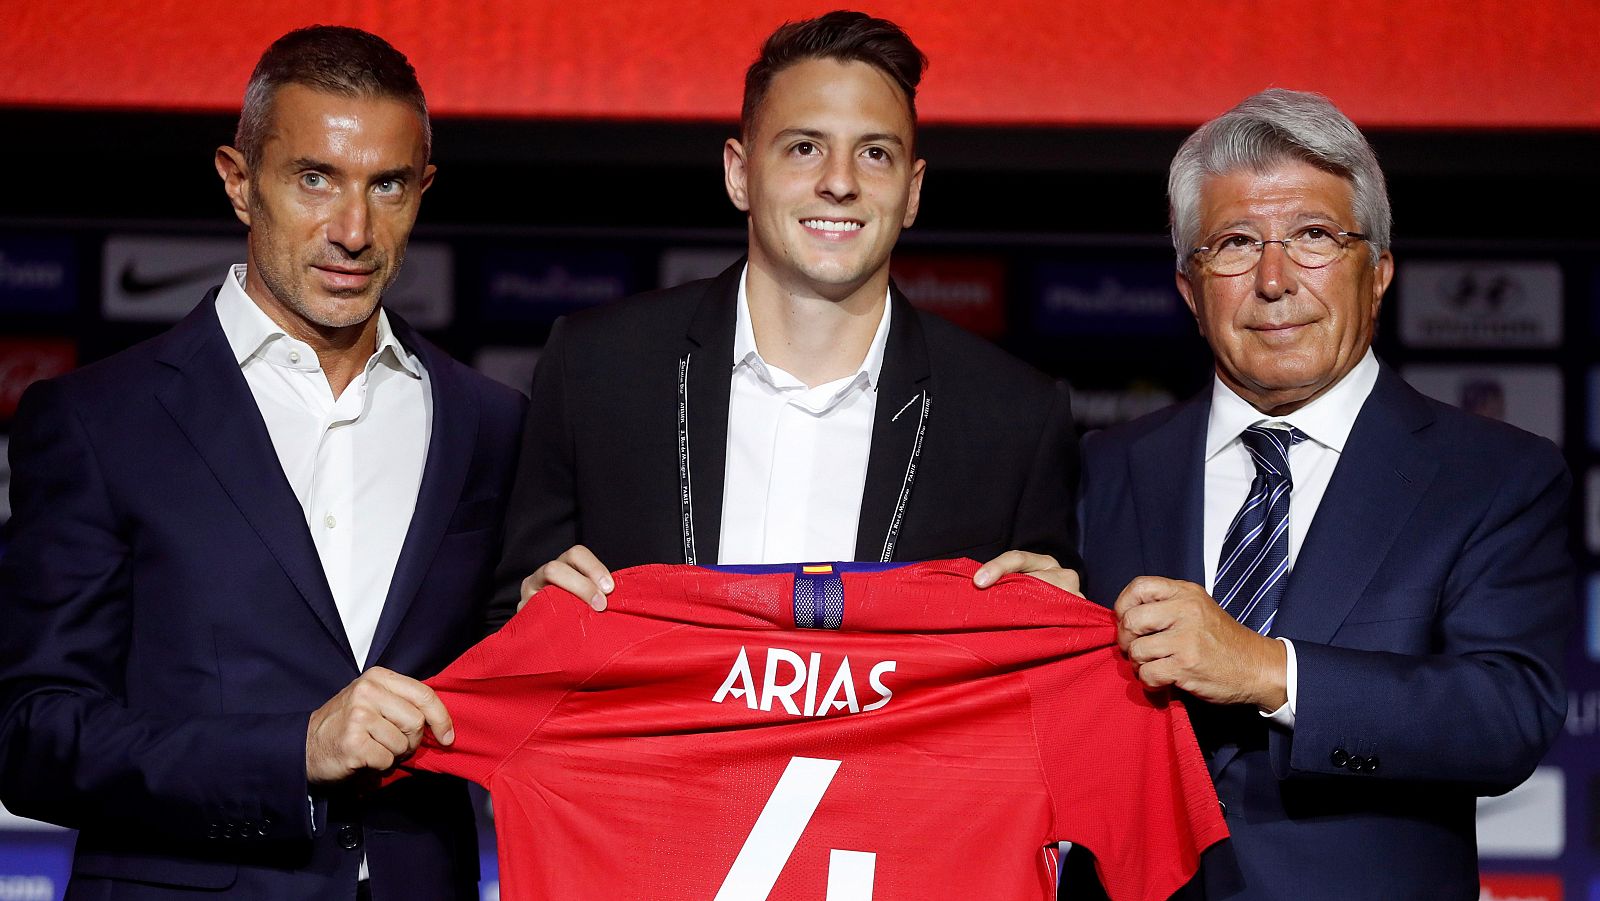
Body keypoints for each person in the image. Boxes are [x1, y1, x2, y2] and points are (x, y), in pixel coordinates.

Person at [0, 26, 526, 900]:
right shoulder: (102, 420)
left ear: (422, 191)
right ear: (239, 183)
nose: (353, 229)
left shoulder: (491, 423)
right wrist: (295, 751)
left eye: (386, 184)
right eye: (314, 178)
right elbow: (32, 734)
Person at [1004, 89, 1571, 900]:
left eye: (1312, 237)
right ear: (1190, 289)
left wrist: (1271, 670)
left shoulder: (1494, 475)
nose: (1273, 280)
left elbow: (1506, 714)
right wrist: (1037, 634)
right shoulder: (1104, 464)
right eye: (1234, 243)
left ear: (1377, 273)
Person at [493, 10, 1079, 620]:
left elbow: (1044, 681)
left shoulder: (1014, 418)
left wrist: (1060, 623)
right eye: (805, 148)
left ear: (912, 190)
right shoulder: (597, 369)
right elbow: (503, 620)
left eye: (875, 154)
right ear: (740, 174)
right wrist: (528, 617)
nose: (840, 182)